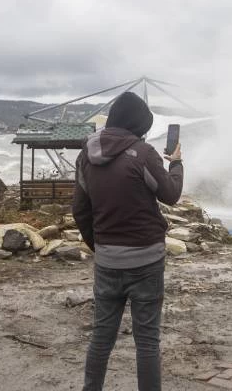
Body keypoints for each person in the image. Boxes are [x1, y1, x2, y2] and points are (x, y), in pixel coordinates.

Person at [73, 91, 184, 391]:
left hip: (107, 260)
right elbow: (171, 195)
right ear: (136, 125)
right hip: (146, 261)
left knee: (101, 335)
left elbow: (80, 211)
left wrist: (100, 247)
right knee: (147, 340)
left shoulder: (85, 155)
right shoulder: (144, 153)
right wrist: (176, 163)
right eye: (142, 128)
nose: (142, 134)